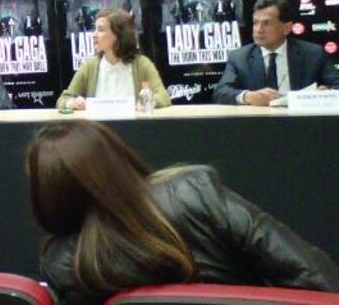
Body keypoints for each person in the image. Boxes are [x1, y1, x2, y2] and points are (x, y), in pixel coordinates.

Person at [27, 120, 339, 305]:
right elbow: (314, 276)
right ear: (117, 158)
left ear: (47, 195)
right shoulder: (195, 191)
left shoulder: (63, 265)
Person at [214, 0, 339, 105]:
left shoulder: (313, 54)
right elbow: (220, 92)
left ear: (287, 28)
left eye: (266, 23)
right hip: (258, 121)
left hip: (302, 121)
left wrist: (327, 93)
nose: (258, 29)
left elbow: (336, 85)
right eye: (255, 23)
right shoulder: (239, 57)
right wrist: (247, 97)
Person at [56, 9, 169, 110]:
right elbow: (63, 99)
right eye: (94, 29)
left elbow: (163, 97)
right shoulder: (89, 66)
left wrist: (147, 102)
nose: (94, 34)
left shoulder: (142, 64)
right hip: (98, 127)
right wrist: (72, 103)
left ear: (118, 35)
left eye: (100, 30)